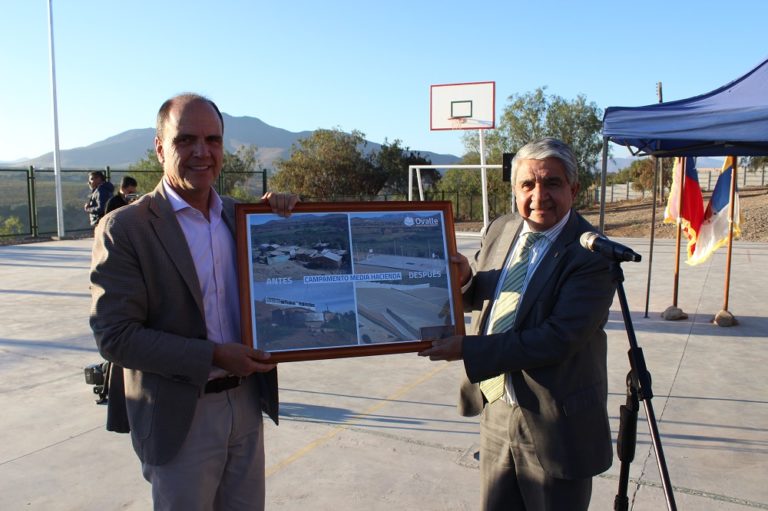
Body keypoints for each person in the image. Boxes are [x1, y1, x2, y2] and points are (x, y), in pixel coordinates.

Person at [90, 93, 298, 511]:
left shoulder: (244, 219)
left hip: (246, 403)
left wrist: (288, 215)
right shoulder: (126, 228)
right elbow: (116, 337)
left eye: (213, 140)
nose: (202, 152)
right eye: (186, 140)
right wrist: (214, 355)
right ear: (160, 147)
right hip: (178, 413)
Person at [419, 137, 617, 511]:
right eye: (528, 184)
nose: (538, 195)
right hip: (496, 409)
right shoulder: (502, 228)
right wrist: (463, 281)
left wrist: (467, 349)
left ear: (573, 188)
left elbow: (556, 339)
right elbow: (487, 294)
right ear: (514, 190)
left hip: (555, 423)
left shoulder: (592, 253)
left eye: (552, 183)